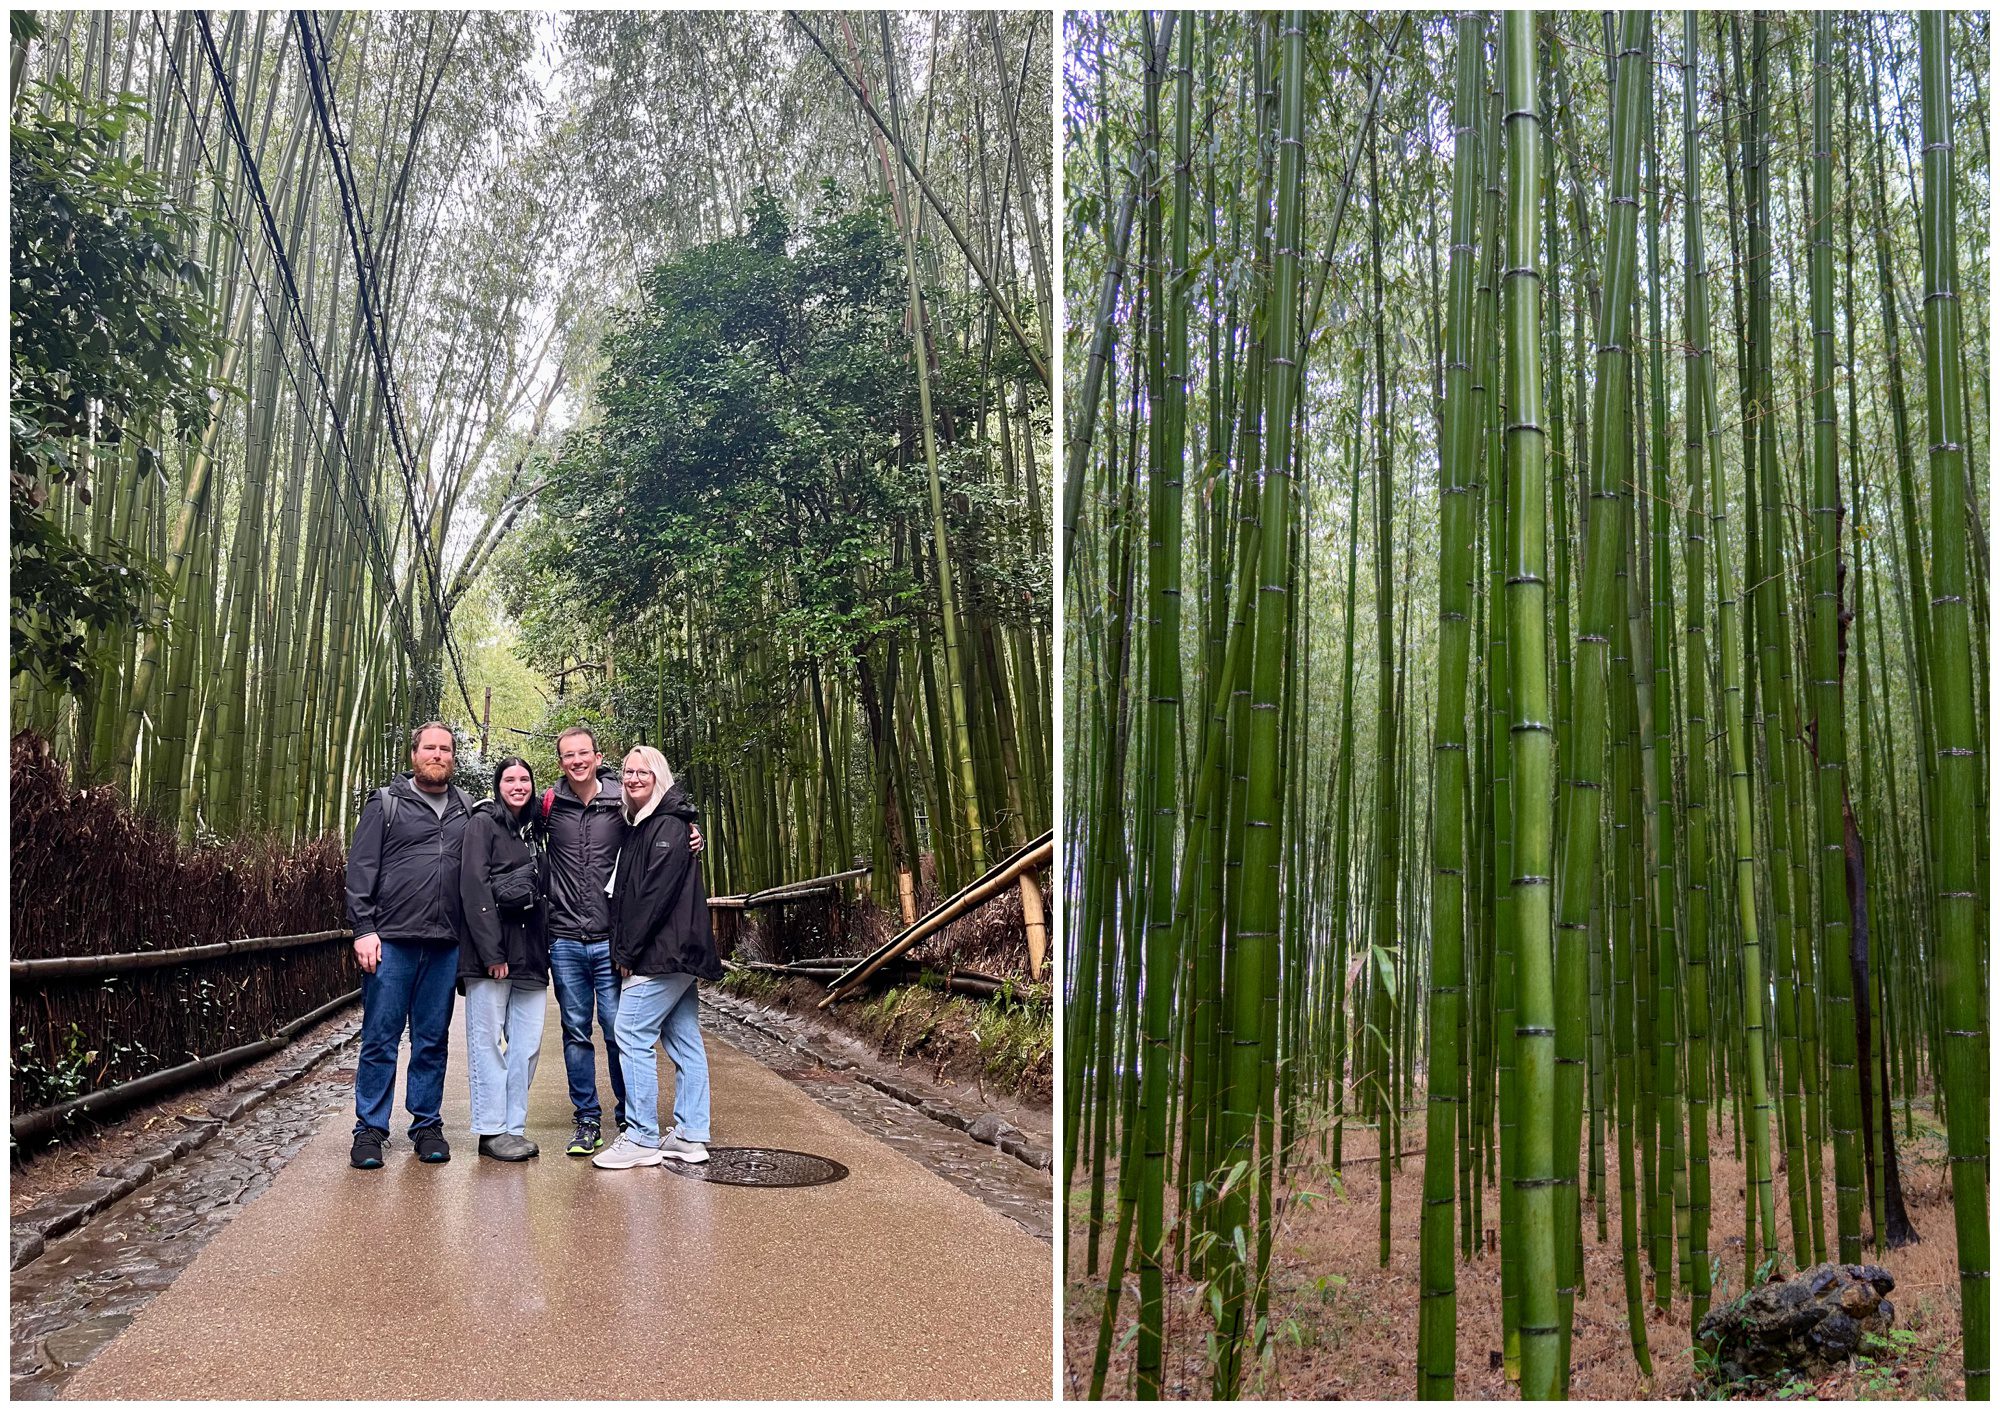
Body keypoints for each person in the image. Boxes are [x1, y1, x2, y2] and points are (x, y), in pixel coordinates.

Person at [543, 725, 702, 1156]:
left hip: (611, 940)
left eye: (583, 753)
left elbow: (657, 828)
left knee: (620, 1031)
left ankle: (632, 1121)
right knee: (576, 1032)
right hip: (565, 938)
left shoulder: (622, 800)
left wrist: (689, 830)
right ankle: (587, 1120)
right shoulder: (549, 805)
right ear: (560, 761)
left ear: (597, 756)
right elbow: (507, 815)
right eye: (567, 755)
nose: (576, 761)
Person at [346, 721, 474, 1169]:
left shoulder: (466, 809)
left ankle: (425, 1125)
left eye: (445, 749)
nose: (437, 755)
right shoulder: (386, 803)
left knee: (432, 1040)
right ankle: (370, 1129)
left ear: (453, 757)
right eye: (429, 748)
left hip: (444, 943)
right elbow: (361, 869)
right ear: (414, 754)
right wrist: (363, 928)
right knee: (381, 1037)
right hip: (392, 941)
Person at [593, 746, 721, 1169]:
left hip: (664, 953)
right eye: (627, 772)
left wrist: (626, 952)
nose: (632, 778)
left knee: (629, 1033)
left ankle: (643, 1135)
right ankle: (689, 1133)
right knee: (684, 1040)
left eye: (641, 771)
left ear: (659, 776)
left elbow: (652, 898)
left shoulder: (666, 823)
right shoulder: (650, 823)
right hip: (676, 954)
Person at [458, 757, 550, 1161]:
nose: (518, 785)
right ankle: (490, 1130)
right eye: (510, 779)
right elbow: (474, 886)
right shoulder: (483, 822)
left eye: (524, 778)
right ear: (498, 785)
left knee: (527, 1045)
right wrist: (492, 952)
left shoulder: (537, 828)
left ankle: (514, 1126)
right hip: (491, 956)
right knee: (488, 1043)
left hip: (530, 953)